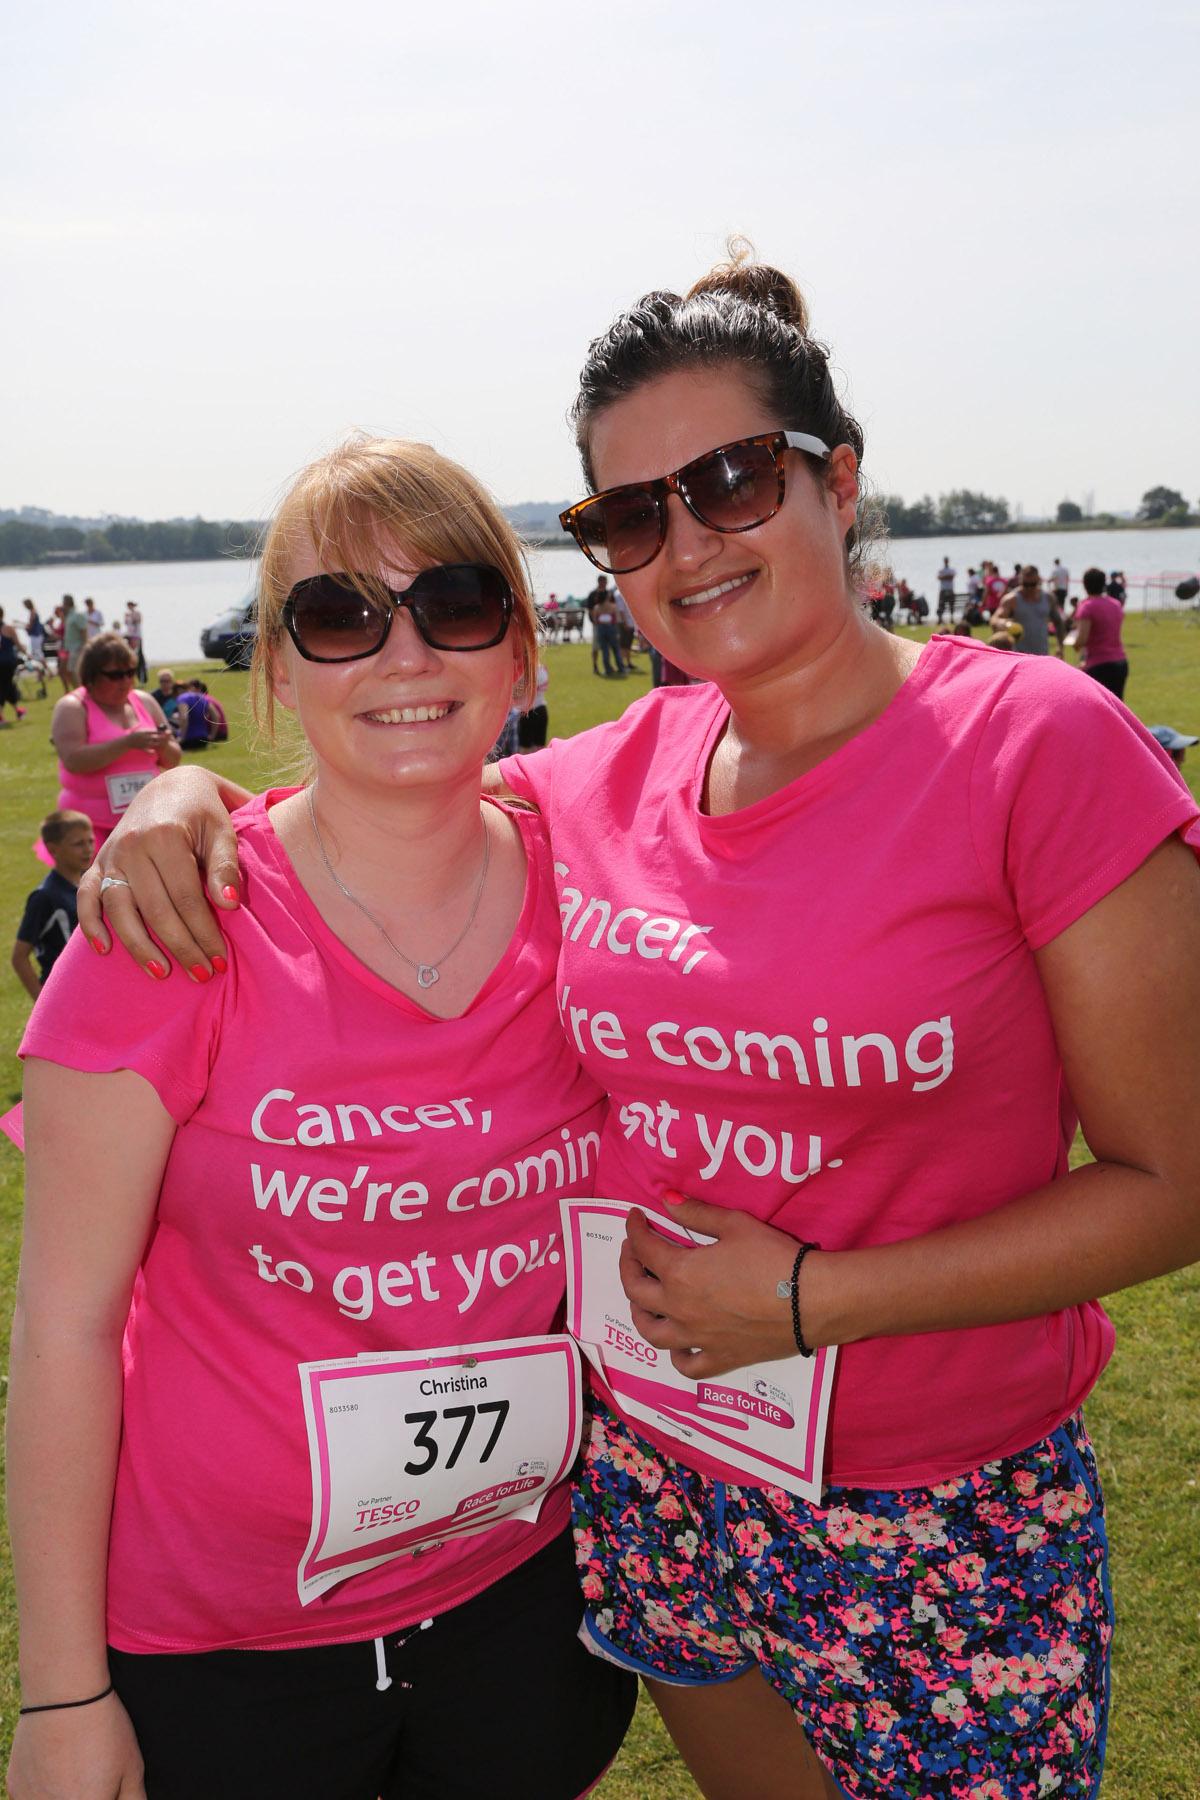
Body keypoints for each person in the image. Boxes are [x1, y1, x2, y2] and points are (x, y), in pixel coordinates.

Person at [80, 259, 1200, 1800]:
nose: (687, 542)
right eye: (630, 514)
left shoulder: (1035, 744)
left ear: (841, 480)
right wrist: (178, 796)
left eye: (733, 481)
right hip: (660, 1477)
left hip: (944, 1491)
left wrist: (815, 1297)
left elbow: (1176, 1180)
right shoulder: (599, 781)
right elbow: (377, 785)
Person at [8, 437, 635, 1800]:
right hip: (227, 1650)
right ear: (279, 671)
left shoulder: (600, 890)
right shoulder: (165, 928)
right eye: (340, 616)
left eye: (457, 604)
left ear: (521, 653)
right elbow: (63, 1326)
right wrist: (61, 1693)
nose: (403, 656)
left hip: (523, 1601)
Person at [47, 633, 181, 856]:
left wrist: (163, 745)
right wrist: (127, 743)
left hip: (147, 819)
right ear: (91, 676)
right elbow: (73, 761)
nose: (125, 681)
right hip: (91, 827)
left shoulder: (144, 701)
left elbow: (173, 759)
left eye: (130, 673)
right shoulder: (72, 707)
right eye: (115, 675)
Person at [11, 811, 95, 998]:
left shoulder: (90, 883)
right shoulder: (44, 897)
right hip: (64, 993)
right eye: (78, 844)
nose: (88, 849)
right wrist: (41, 1000)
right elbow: (19, 957)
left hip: (92, 987)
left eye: (90, 841)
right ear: (53, 849)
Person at [1073, 566, 1129, 699]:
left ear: (1085, 585)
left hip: (1099, 665)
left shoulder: (1087, 607)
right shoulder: (1115, 604)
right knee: (1116, 709)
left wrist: (1075, 645)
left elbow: (1082, 639)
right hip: (1120, 662)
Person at [993, 565, 1060, 656]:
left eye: (1032, 584)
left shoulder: (1048, 598)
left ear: (1038, 581)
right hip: (1018, 656)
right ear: (1020, 581)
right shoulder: (1011, 599)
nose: (1029, 588)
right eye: (1025, 584)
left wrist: (1060, 647)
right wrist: (1005, 624)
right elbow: (995, 619)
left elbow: (1059, 622)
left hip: (1042, 656)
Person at [0, 606, 26, 725]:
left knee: (5, 686)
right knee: (7, 686)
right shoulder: (9, 629)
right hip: (9, 662)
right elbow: (19, 645)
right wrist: (27, 654)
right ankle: (16, 711)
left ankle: (11, 713)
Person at [61, 594, 87, 688]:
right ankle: (79, 690)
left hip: (77, 648)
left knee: (72, 671)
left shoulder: (77, 615)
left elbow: (84, 632)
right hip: (69, 648)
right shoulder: (69, 615)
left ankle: (81, 691)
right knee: (67, 671)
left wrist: (84, 647)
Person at [123, 600, 147, 683]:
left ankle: (142, 676)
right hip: (130, 636)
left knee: (139, 655)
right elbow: (126, 623)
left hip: (137, 636)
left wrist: (132, 616)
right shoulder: (127, 614)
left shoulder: (137, 613)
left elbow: (137, 621)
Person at [935, 556, 955, 620]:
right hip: (943, 589)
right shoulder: (942, 570)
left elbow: (951, 577)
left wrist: (943, 577)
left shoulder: (951, 569)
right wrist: (947, 576)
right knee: (941, 604)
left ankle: (951, 618)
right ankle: (940, 619)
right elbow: (939, 578)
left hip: (949, 589)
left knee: (951, 604)